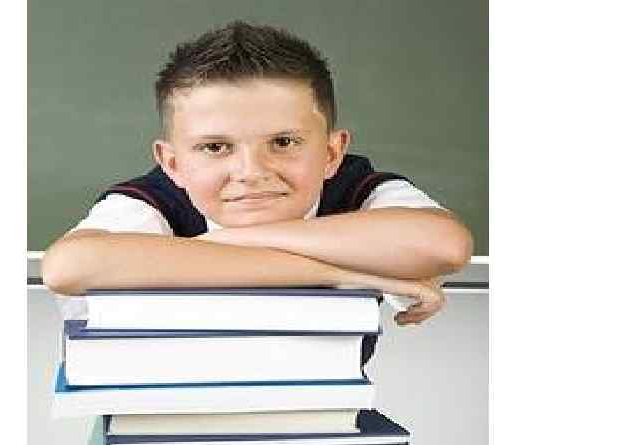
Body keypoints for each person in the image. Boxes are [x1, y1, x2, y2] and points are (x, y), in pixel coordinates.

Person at [42, 20, 473, 326]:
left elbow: (444, 244)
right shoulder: (153, 201)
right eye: (215, 147)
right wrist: (351, 274)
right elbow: (68, 266)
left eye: (283, 142)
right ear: (172, 163)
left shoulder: (353, 186)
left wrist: (220, 242)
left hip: (321, 415)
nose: (250, 172)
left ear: (331, 153)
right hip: (166, 417)